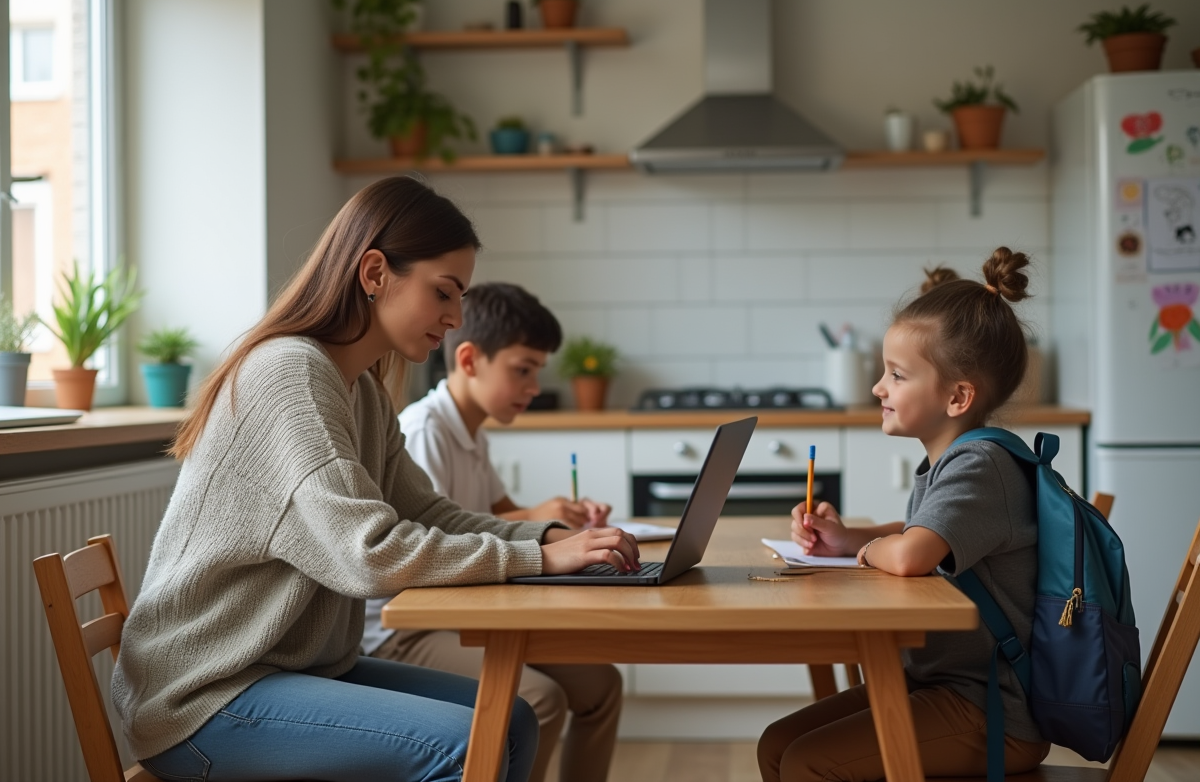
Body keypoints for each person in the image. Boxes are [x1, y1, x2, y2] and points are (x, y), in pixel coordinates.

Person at [110, 177, 640, 782]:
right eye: (444, 292)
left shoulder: (359, 389)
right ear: (374, 273)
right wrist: (535, 560)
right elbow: (368, 554)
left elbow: (428, 513)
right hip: (208, 694)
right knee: (468, 745)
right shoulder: (290, 376)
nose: (457, 317)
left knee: (512, 721)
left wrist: (547, 540)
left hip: (295, 669)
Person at [757, 247, 1051, 782]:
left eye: (896, 375)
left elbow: (915, 554)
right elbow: (920, 532)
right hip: (941, 687)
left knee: (807, 762)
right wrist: (847, 537)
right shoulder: (954, 461)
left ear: (958, 396)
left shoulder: (981, 466)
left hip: (990, 711)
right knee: (777, 745)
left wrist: (864, 549)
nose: (878, 389)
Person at [365, 282, 622, 782]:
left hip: (467, 609)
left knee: (600, 685)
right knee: (541, 701)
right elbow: (426, 555)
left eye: (537, 372)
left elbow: (499, 513)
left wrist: (555, 522)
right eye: (521, 370)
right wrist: (545, 546)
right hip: (404, 631)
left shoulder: (470, 430)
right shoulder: (424, 432)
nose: (533, 387)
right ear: (469, 360)